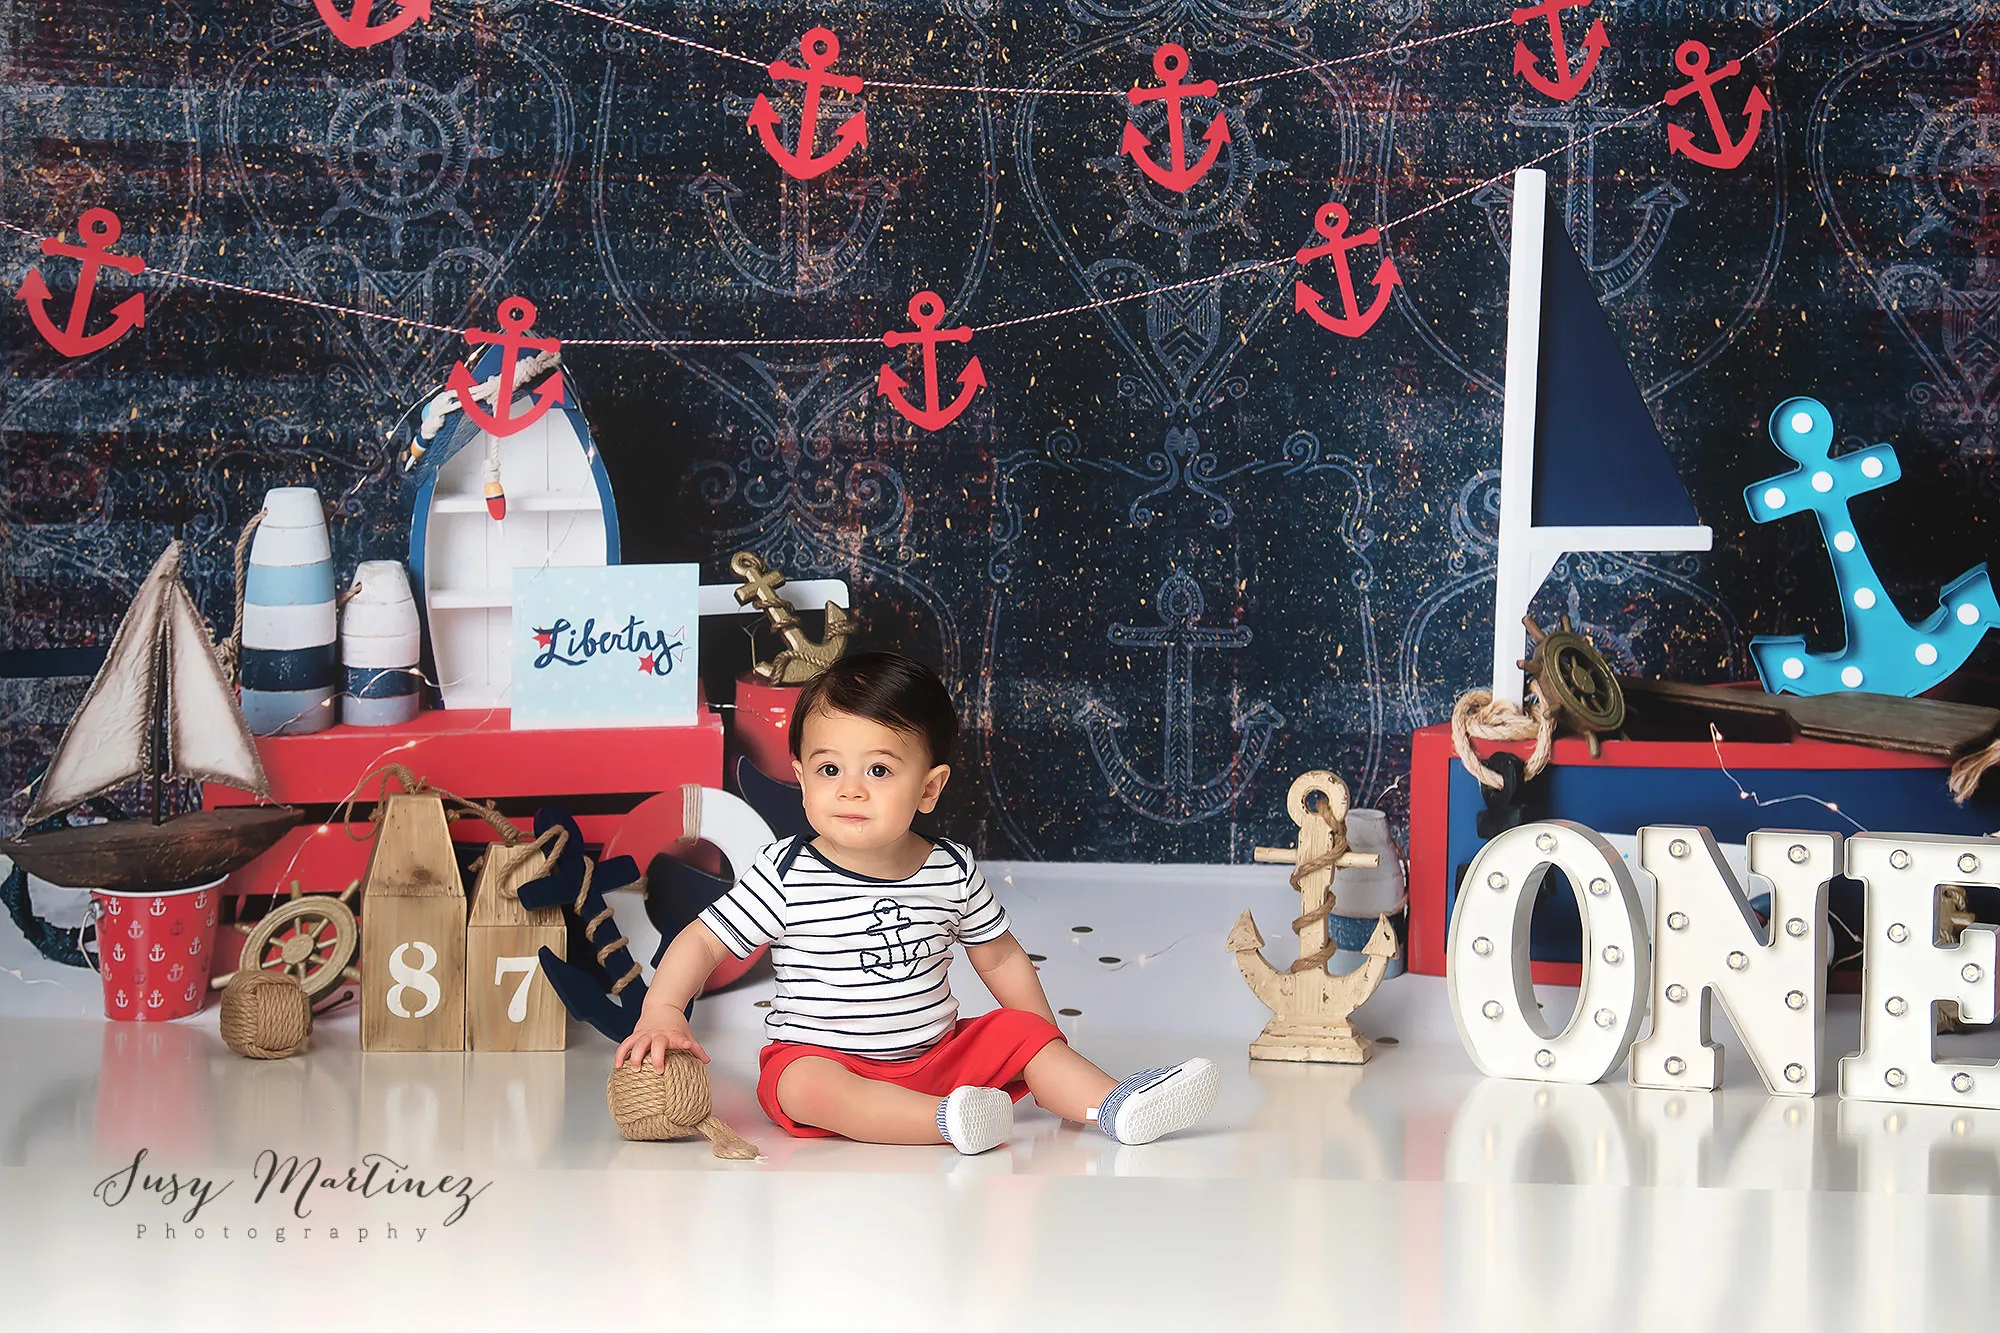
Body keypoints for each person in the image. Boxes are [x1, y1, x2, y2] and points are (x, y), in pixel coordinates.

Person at [614, 650, 1219, 1153]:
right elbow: (702, 939)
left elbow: (1001, 959)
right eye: (828, 769)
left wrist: (1046, 1044)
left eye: (879, 770)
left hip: (937, 1056)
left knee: (1019, 1033)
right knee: (804, 1088)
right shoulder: (787, 871)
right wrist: (663, 1010)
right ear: (800, 778)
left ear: (928, 788)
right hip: (820, 1059)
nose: (850, 788)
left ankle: (1113, 1106)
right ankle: (944, 1123)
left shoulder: (950, 869)